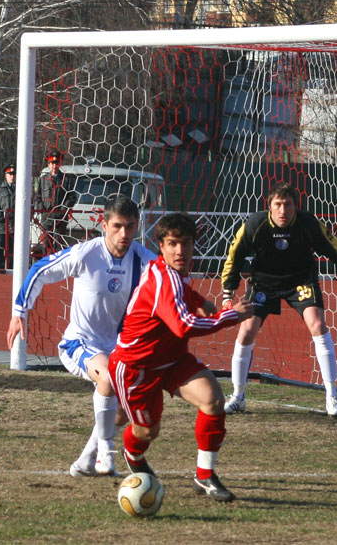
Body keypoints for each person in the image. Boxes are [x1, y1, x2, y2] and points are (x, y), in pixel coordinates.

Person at [108, 213, 254, 502]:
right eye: (172, 243)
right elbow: (182, 324)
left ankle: (204, 476)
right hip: (137, 367)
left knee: (213, 399)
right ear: (161, 246)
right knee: (148, 432)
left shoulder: (173, 274)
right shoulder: (163, 278)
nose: (180, 251)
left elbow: (183, 293)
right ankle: (132, 453)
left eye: (185, 244)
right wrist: (229, 316)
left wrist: (203, 302)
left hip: (172, 359)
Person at [7, 196, 156, 476]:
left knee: (123, 408)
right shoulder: (86, 254)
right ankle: (105, 451)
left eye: (131, 227)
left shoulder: (146, 261)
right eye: (118, 226)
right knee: (110, 378)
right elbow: (40, 269)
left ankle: (85, 462)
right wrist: (19, 311)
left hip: (120, 349)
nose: (124, 234)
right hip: (80, 343)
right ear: (104, 224)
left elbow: (170, 288)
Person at [221, 182, 337, 417]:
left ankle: (332, 397)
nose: (283, 210)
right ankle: (238, 396)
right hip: (265, 282)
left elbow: (334, 248)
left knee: (317, 324)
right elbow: (234, 256)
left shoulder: (307, 223)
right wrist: (227, 294)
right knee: (246, 330)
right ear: (270, 206)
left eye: (288, 205)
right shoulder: (255, 224)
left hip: (301, 281)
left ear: (296, 206)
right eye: (278, 205)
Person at [33, 150, 77, 254]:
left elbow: (72, 197)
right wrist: (42, 210)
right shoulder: (42, 180)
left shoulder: (67, 180)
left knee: (59, 244)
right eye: (52, 163)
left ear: (60, 164)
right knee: (46, 244)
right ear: (48, 164)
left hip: (60, 218)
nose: (54, 166)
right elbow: (37, 197)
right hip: (46, 217)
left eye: (56, 163)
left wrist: (62, 210)